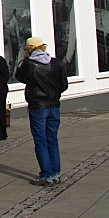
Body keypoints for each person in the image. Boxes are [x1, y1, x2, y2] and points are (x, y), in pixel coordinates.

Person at [16, 36, 69, 187]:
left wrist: (23, 59)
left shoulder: (29, 64)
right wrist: (54, 93)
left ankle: (46, 174)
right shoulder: (55, 62)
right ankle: (56, 173)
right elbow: (64, 84)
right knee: (52, 139)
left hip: (38, 106)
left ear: (29, 49)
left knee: (40, 140)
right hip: (53, 105)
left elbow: (19, 76)